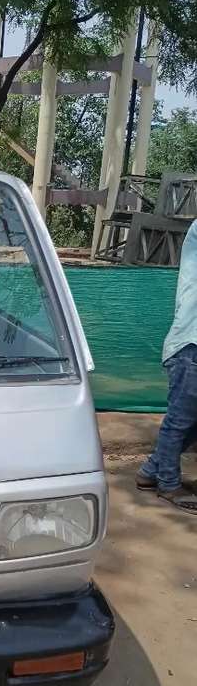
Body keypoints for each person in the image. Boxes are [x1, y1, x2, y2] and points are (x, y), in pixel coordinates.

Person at [138, 218, 197, 512]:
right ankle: (168, 483)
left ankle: (150, 472)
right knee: (180, 420)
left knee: (191, 423)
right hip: (191, 343)